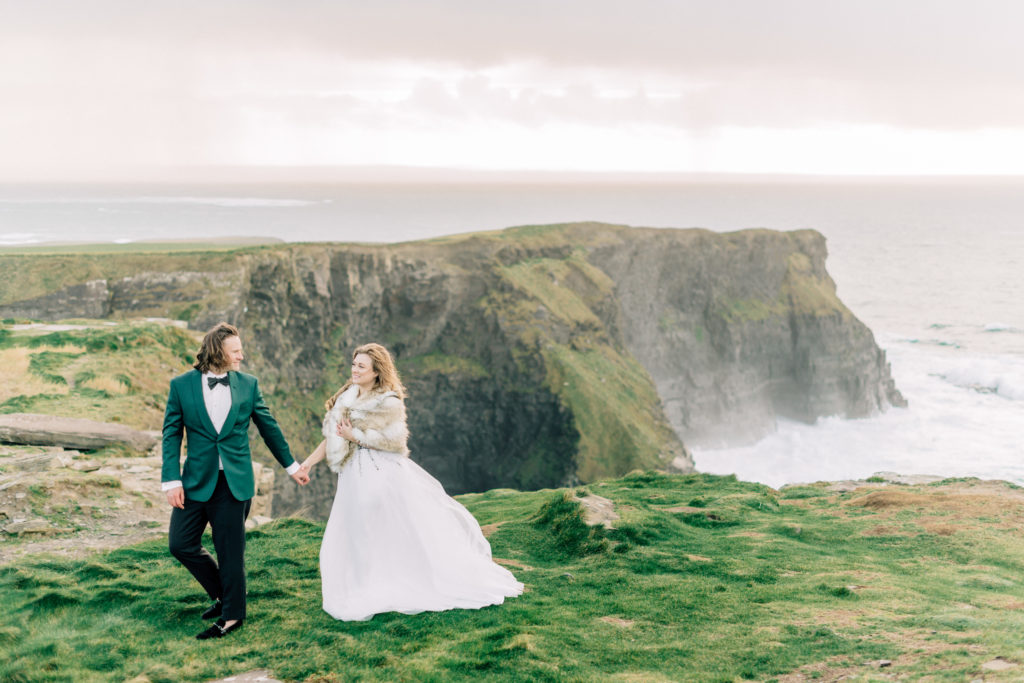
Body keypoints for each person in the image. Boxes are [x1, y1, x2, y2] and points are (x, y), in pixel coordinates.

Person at [300, 342, 523, 621]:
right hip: (351, 475)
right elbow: (333, 436)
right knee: (354, 530)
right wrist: (307, 463)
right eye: (354, 364)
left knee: (375, 526)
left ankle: (389, 582)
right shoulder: (347, 396)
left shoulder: (388, 402)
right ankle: (362, 584)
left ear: (376, 371)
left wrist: (354, 436)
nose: (354, 369)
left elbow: (394, 442)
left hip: (379, 472)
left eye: (361, 366)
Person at [161, 322, 310, 640]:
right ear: (218, 352)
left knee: (230, 551)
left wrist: (291, 466)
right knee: (181, 544)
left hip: (235, 482)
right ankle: (224, 596)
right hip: (195, 481)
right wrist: (171, 480)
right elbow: (171, 433)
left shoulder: (249, 384)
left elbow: (269, 427)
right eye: (236, 351)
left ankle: (232, 616)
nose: (242, 356)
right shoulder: (180, 386)